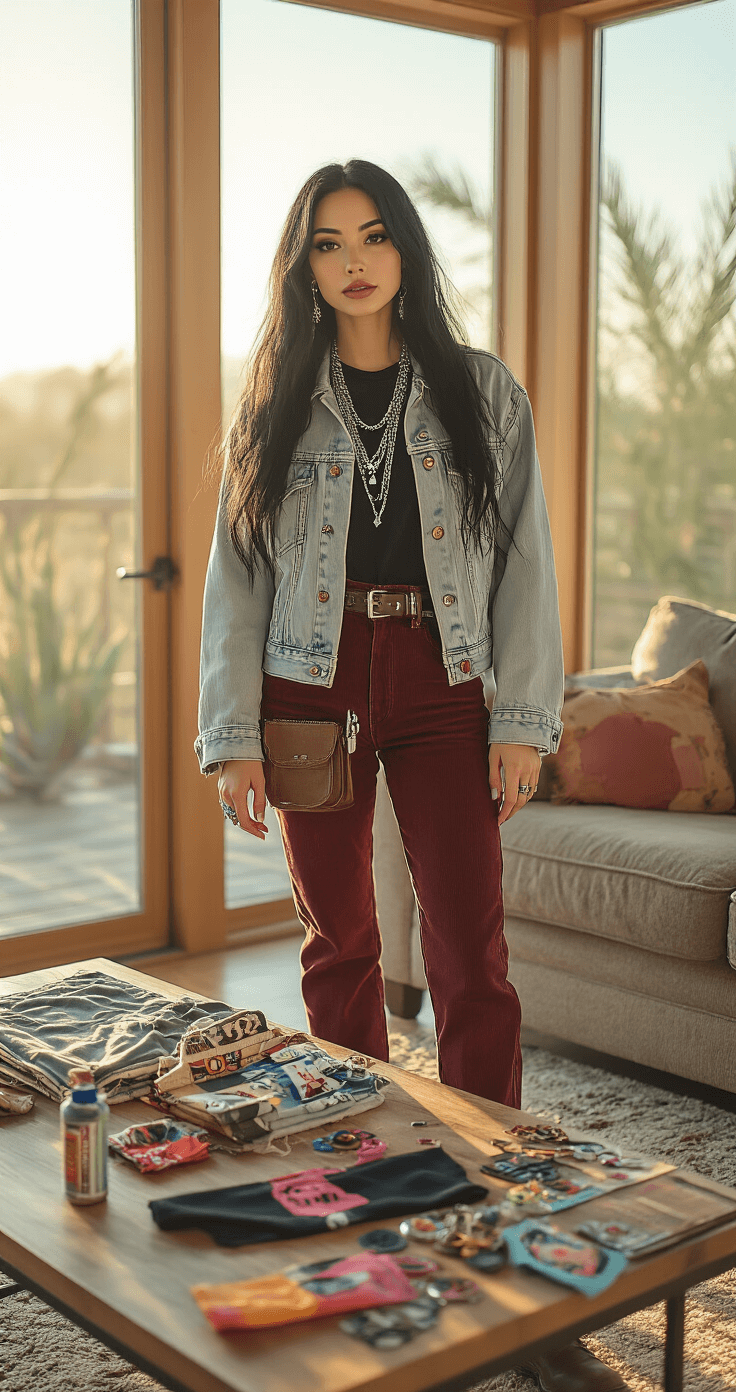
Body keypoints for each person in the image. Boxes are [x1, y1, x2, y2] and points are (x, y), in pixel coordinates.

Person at [196, 159, 628, 1392]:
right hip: (306, 684)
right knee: (338, 947)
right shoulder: (272, 398)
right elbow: (236, 581)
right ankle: (366, 1205)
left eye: (374, 235)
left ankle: (501, 1204)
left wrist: (523, 720)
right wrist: (230, 732)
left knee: (467, 953)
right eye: (328, 242)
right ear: (305, 265)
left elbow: (525, 562)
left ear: (405, 251)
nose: (354, 260)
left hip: (446, 685)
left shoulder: (480, 389)